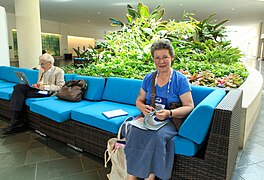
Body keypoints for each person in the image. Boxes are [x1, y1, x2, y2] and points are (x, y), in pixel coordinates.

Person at [125, 39, 194, 180]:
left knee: (157, 136)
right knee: (133, 130)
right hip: (150, 118)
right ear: (153, 59)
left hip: (170, 120)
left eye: (165, 57)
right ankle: (132, 175)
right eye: (157, 58)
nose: (161, 61)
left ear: (172, 58)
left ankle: (150, 177)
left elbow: (189, 106)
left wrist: (170, 113)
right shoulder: (149, 78)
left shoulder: (180, 80)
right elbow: (138, 100)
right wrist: (143, 107)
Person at [3, 53, 65, 134]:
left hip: (47, 92)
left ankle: (17, 121)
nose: (41, 66)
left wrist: (45, 87)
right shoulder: (41, 70)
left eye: (42, 64)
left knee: (19, 93)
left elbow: (60, 87)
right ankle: (17, 121)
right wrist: (37, 85)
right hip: (38, 89)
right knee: (18, 87)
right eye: (40, 64)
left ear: (50, 63)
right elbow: (39, 82)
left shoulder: (59, 71)